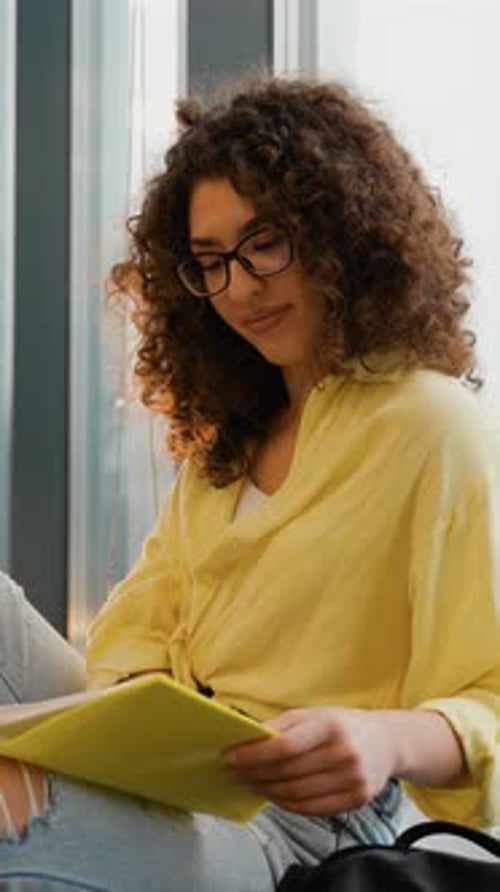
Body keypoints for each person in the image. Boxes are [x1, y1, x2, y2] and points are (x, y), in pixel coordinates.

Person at [0, 75, 499, 891]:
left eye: (265, 242)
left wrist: (383, 739)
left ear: (344, 232)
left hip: (298, 826)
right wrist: (139, 706)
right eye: (210, 262)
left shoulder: (434, 429)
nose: (238, 287)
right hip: (176, 763)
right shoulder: (229, 447)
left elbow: (492, 697)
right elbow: (136, 626)